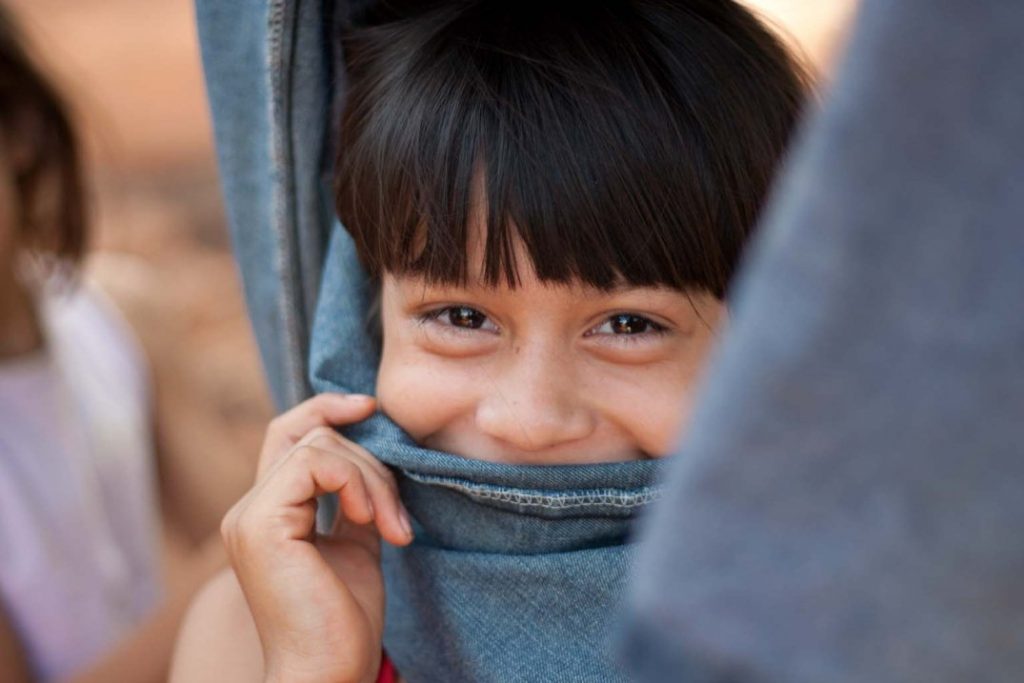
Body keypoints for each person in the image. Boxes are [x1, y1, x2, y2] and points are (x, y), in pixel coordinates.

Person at [173, 1, 809, 681]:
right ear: (367, 319)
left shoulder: (849, 632)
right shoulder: (259, 637)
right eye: (462, 318)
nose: (529, 422)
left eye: (628, 325)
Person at [0, 5, 226, 681]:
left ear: (20, 131)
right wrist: (245, 551)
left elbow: (232, 517)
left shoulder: (120, 316)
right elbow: (250, 539)